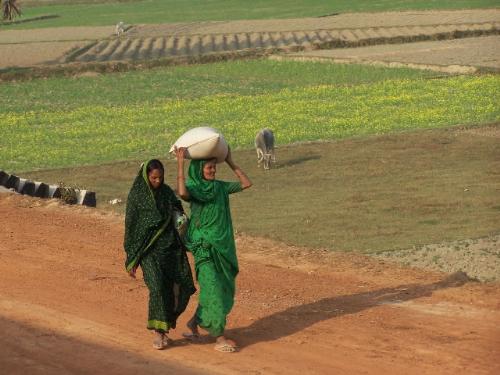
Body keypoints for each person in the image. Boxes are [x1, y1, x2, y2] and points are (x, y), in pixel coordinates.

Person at [175, 147, 252, 353]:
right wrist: (180, 163)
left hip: (221, 248)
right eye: (209, 168)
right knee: (214, 290)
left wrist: (230, 161)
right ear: (199, 169)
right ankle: (219, 337)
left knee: (216, 288)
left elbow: (246, 183)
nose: (212, 171)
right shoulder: (194, 187)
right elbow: (182, 192)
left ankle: (193, 324)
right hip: (204, 248)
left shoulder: (219, 187)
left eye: (213, 168)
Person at [124, 159, 196, 350]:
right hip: (149, 252)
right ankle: (157, 333)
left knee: (179, 287)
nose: (157, 181)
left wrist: (179, 217)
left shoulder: (166, 193)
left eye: (160, 178)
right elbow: (132, 229)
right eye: (154, 177)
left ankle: (165, 329)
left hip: (171, 249)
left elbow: (178, 212)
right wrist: (132, 259)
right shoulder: (137, 197)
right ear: (146, 176)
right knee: (157, 288)